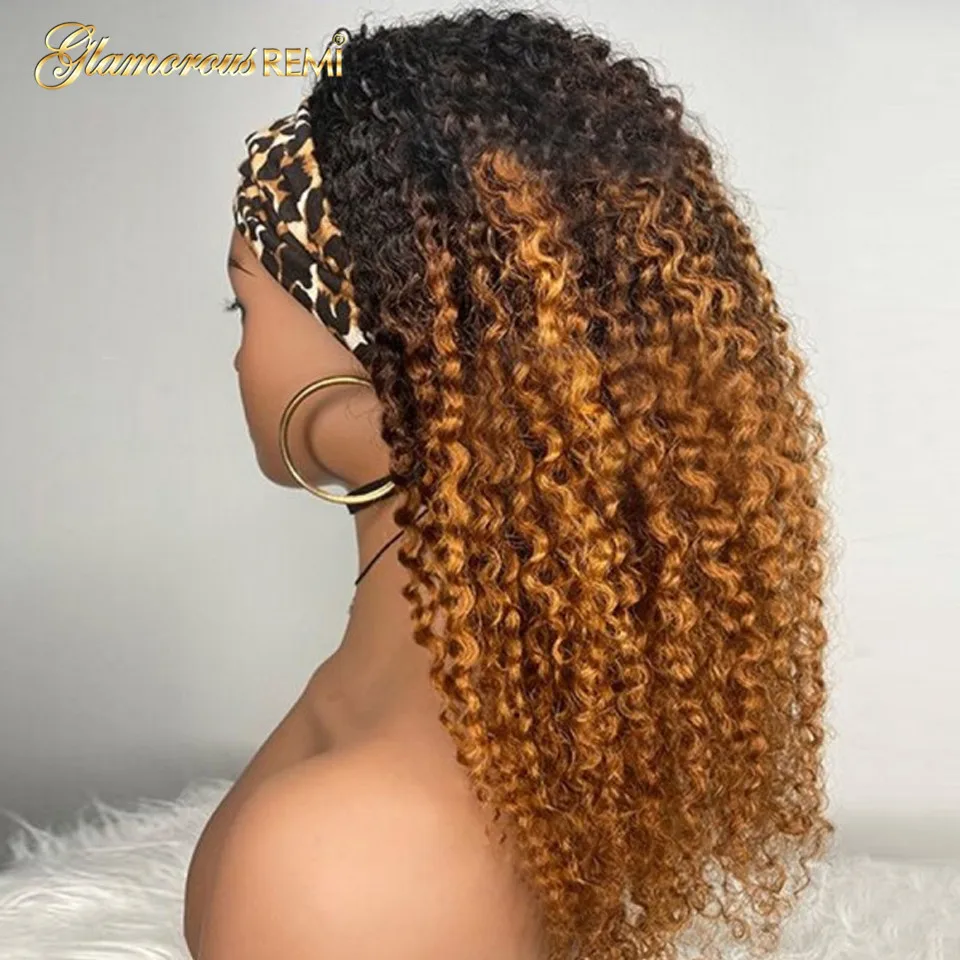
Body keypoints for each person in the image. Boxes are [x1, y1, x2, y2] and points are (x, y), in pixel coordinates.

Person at [183, 9, 835, 960]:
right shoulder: (507, 728)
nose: (238, 357)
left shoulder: (332, 867)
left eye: (241, 304)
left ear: (384, 370)